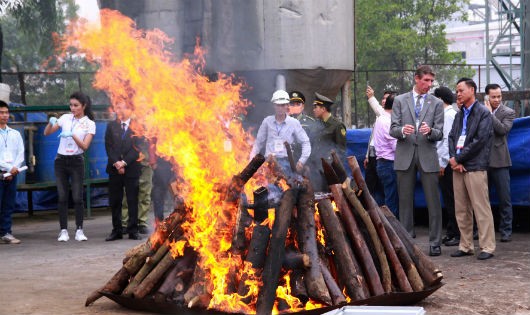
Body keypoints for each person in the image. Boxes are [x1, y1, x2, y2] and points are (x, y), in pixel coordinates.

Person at [389, 65, 444, 257]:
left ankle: (435, 242)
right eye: (426, 80)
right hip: (405, 155)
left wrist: (430, 132)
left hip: (428, 156)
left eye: (431, 81)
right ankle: (406, 241)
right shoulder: (399, 100)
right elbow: (393, 129)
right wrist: (402, 131)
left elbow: (440, 133)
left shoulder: (436, 103)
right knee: (404, 202)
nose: (429, 84)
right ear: (416, 79)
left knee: (433, 201)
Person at [449, 78, 495, 260]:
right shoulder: (459, 114)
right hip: (458, 167)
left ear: (472, 90)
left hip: (475, 165)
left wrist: (459, 158)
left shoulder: (483, 113)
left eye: (461, 90)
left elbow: (480, 141)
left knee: (480, 207)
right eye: (457, 91)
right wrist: (454, 160)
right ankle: (466, 245)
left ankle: (487, 246)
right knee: (461, 208)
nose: (458, 94)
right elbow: (452, 137)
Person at [44, 92, 95, 242]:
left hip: (77, 161)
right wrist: (50, 122)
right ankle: (63, 230)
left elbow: (85, 146)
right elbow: (47, 133)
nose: (72, 108)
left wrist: (72, 135)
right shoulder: (65, 118)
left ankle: (79, 229)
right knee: (62, 196)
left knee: (78, 197)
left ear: (83, 106)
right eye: (71, 105)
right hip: (60, 160)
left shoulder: (89, 123)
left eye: (76, 105)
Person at [250, 89, 310, 178]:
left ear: (287, 105)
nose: (280, 108)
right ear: (274, 105)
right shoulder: (267, 121)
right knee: (269, 190)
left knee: (285, 188)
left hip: (286, 164)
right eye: (278, 105)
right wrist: (251, 161)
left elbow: (305, 142)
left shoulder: (293, 123)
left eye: (283, 105)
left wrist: (302, 161)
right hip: (268, 163)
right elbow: (258, 143)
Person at [104, 100, 142, 241]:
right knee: (115, 201)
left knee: (132, 200)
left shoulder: (138, 127)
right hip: (114, 169)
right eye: (117, 107)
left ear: (129, 109)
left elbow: (137, 149)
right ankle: (117, 230)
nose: (119, 110)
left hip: (131, 169)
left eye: (122, 107)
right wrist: (116, 163)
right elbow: (108, 147)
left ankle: (133, 230)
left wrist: (124, 163)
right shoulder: (111, 126)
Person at [484, 83, 515, 243]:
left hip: (501, 161)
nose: (497, 99)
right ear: (487, 97)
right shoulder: (480, 111)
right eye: (493, 97)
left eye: (499, 96)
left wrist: (490, 114)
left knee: (504, 198)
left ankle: (506, 230)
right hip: (483, 161)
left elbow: (502, 130)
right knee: (482, 199)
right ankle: (484, 230)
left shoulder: (508, 112)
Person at [434, 86, 459, 247]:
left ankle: (456, 233)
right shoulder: (446, 114)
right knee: (449, 199)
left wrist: (442, 163)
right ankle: (452, 231)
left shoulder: (449, 116)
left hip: (447, 164)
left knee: (452, 200)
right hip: (446, 162)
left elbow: (446, 142)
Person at [311, 92, 347, 191]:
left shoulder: (337, 125)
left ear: (323, 109)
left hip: (330, 170)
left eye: (316, 107)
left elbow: (341, 150)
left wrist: (330, 164)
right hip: (317, 169)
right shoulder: (316, 125)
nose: (313, 110)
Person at [0, 100, 25, 244]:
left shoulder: (15, 133)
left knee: (8, 205)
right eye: (1, 113)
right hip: (1, 172)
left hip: (13, 174)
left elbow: (21, 153)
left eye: (6, 112)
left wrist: (14, 169)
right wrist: (8, 168)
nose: (4, 116)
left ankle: (6, 232)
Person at [364, 87, 394, 205]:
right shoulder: (381, 116)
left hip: (383, 157)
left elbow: (377, 108)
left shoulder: (386, 116)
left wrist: (371, 97)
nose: (384, 101)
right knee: (371, 185)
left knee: (383, 188)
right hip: (372, 155)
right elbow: (372, 139)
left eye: (387, 99)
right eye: (383, 98)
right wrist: (367, 155)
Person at [122, 137, 156, 234]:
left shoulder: (151, 126)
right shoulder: (130, 126)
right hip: (130, 164)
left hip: (146, 164)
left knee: (145, 195)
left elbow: (155, 143)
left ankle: (142, 223)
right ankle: (125, 223)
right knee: (126, 195)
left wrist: (153, 160)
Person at [372, 93, 399, 216]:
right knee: (392, 199)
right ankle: (393, 228)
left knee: (389, 196)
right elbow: (396, 147)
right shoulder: (387, 122)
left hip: (383, 163)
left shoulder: (381, 119)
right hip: (389, 164)